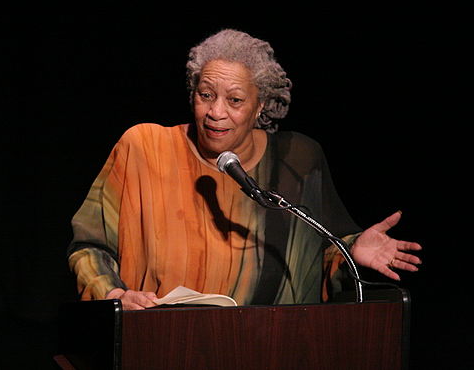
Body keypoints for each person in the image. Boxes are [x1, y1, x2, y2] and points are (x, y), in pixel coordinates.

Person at [67, 28, 422, 310]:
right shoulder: (144, 148)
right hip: (160, 343)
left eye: (234, 100)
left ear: (260, 105)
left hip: (267, 348)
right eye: (205, 94)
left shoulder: (297, 160)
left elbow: (315, 255)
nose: (216, 112)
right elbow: (89, 246)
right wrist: (113, 295)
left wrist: (351, 250)